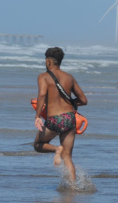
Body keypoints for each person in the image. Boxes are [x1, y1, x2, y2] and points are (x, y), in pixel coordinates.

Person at [34, 47, 88, 183]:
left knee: (38, 144)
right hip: (69, 119)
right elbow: (83, 100)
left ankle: (56, 149)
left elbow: (41, 95)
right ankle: (73, 187)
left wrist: (37, 116)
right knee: (68, 157)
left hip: (54, 119)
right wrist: (70, 103)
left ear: (48, 61)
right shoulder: (69, 77)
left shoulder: (43, 77)